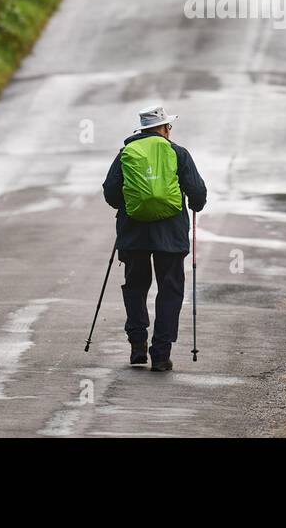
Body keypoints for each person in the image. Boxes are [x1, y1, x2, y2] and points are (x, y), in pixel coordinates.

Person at [101, 105, 207, 371]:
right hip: (170, 234)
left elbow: (110, 192)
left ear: (143, 129)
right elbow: (197, 191)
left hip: (134, 232)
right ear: (164, 128)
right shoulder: (178, 153)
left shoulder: (126, 153)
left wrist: (128, 205)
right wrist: (195, 204)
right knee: (170, 289)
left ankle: (137, 343)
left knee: (136, 286)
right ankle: (160, 353)